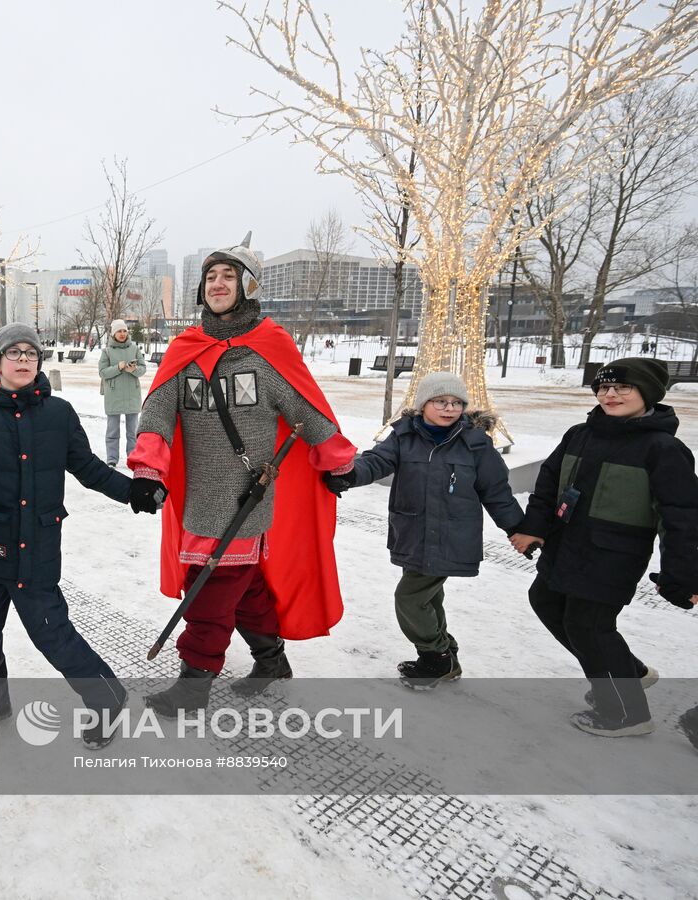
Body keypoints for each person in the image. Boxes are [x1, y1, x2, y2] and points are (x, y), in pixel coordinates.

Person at [132, 240, 357, 715]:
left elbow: (306, 407)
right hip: (200, 497)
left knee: (209, 596)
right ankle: (271, 661)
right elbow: (156, 410)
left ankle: (194, 685)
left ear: (248, 286)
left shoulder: (270, 347)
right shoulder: (184, 349)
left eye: (228, 276)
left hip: (247, 498)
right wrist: (148, 469)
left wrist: (337, 460)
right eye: (211, 276)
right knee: (245, 587)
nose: (217, 284)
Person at [0, 324, 151, 749]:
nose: (24, 360)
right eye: (14, 353)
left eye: (31, 353)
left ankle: (107, 697)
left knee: (52, 632)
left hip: (38, 552)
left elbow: (88, 468)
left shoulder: (59, 414)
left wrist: (132, 490)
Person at [509, 358, 698, 737]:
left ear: (647, 392)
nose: (610, 395)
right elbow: (548, 484)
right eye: (603, 387)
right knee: (545, 601)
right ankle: (626, 673)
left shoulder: (662, 448)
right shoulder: (580, 433)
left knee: (589, 626)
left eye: (622, 388)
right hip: (565, 546)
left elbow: (682, 516)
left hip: (613, 556)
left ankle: (626, 713)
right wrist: (533, 527)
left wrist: (684, 575)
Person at [322, 371, 523, 689]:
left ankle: (436, 658)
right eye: (440, 401)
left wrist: (517, 527)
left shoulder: (475, 444)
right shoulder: (404, 436)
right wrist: (349, 474)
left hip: (452, 536)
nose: (449, 408)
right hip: (413, 530)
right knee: (430, 598)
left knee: (410, 598)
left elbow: (496, 490)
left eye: (457, 402)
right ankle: (445, 653)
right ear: (423, 404)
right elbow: (376, 461)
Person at [97, 318, 147, 467]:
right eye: (119, 331)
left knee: (133, 431)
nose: (122, 333)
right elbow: (102, 372)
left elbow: (143, 368)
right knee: (113, 431)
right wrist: (118, 367)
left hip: (132, 394)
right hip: (114, 396)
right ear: (113, 333)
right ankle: (112, 459)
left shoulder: (135, 349)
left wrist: (134, 370)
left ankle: (132, 458)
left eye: (124, 330)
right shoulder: (107, 352)